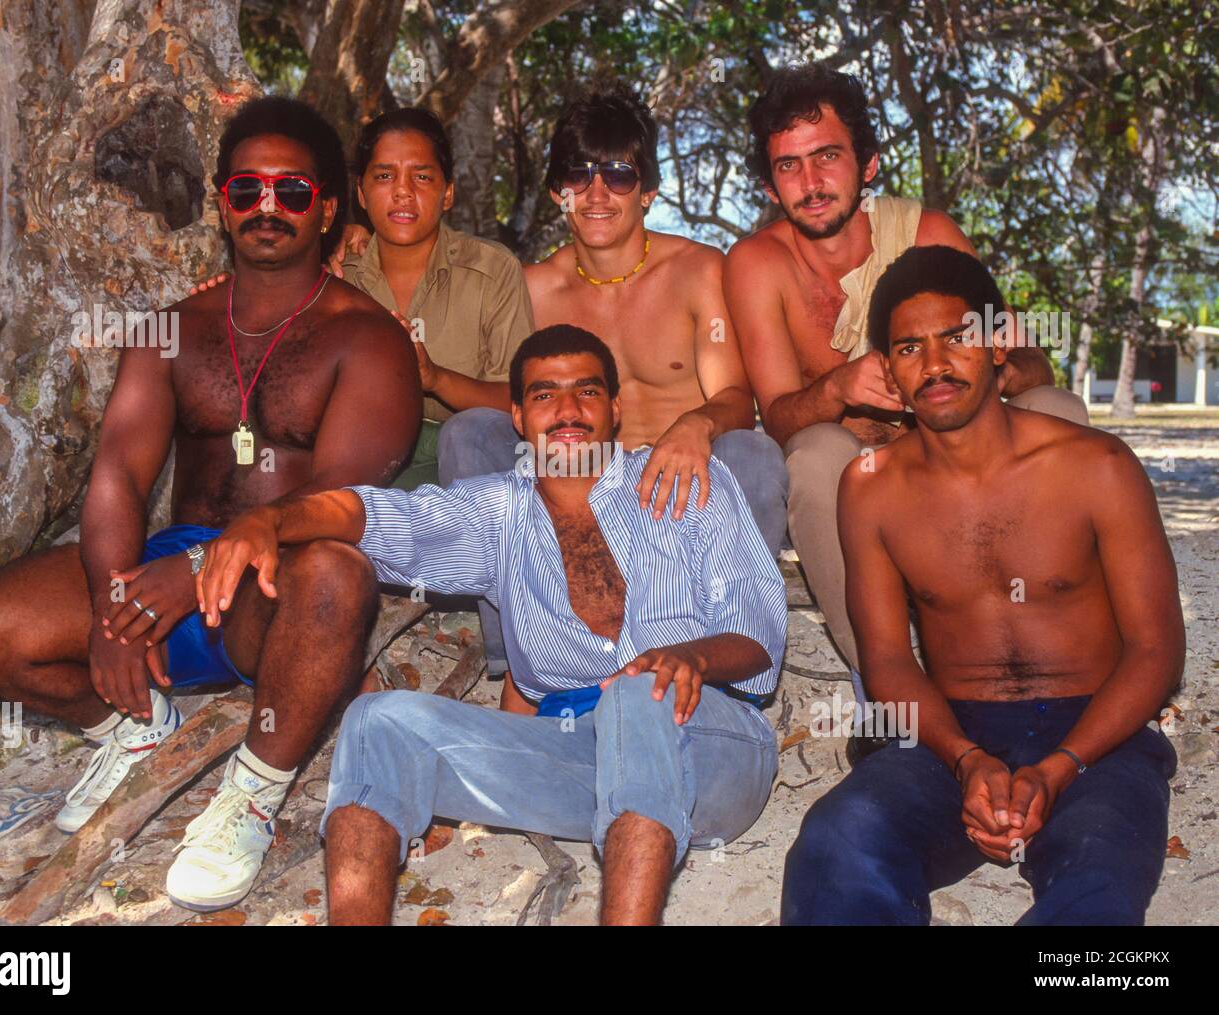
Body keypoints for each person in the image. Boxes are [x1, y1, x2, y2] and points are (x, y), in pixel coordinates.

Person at [0, 96, 421, 912]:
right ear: (221, 203)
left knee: (339, 573)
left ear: (329, 209)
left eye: (291, 191)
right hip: (172, 575)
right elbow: (118, 477)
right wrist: (112, 603)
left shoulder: (367, 338)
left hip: (275, 592)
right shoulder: (170, 329)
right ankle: (130, 724)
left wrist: (205, 566)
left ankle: (253, 791)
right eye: (246, 190)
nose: (266, 207)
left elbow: (342, 499)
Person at [196, 325, 786, 925]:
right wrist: (266, 521)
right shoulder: (497, 512)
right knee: (379, 720)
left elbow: (759, 637)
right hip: (579, 761)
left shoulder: (688, 483)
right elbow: (368, 512)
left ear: (614, 408)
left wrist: (692, 659)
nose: (567, 410)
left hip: (711, 751)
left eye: (586, 391)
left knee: (640, 691)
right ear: (515, 415)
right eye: (543, 394)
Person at [780, 246, 1184, 925]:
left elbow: (1156, 651)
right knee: (836, 841)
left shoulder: (1097, 466)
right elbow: (885, 657)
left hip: (1096, 733)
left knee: (1099, 881)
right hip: (951, 731)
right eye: (909, 348)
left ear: (999, 346)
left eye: (957, 339)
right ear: (887, 370)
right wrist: (966, 759)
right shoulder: (872, 487)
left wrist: (1059, 766)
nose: (934, 365)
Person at [725, 64, 1088, 685]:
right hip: (869, 489)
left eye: (828, 157)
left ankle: (1052, 650)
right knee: (813, 451)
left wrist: (964, 379)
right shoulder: (756, 265)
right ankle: (887, 686)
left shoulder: (927, 235)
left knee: (1059, 409)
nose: (810, 183)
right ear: (768, 185)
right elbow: (780, 416)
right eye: (789, 165)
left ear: (867, 164)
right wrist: (838, 387)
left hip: (963, 461)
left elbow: (1031, 361)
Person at [441, 91, 788, 710]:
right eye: (579, 175)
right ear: (557, 190)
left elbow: (736, 395)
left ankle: (728, 652)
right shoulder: (533, 288)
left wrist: (694, 426)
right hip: (575, 498)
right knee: (469, 432)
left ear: (648, 189)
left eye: (619, 175)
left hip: (676, 505)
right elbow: (513, 400)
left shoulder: (698, 269)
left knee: (752, 452)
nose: (597, 194)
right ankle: (516, 658)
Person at [332, 108, 534, 489]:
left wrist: (434, 378)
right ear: (360, 192)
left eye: (422, 176)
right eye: (384, 176)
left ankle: (472, 549)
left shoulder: (493, 270)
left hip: (468, 463)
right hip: (365, 458)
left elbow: (521, 401)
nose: (403, 191)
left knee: (467, 431)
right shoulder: (340, 274)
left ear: (448, 194)